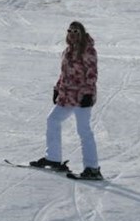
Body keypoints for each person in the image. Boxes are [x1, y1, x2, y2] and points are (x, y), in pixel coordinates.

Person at [30, 21, 103, 180]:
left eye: (76, 31)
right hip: (67, 96)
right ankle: (53, 158)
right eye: (70, 31)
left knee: (84, 130)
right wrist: (57, 88)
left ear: (82, 33)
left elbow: (92, 74)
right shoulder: (68, 51)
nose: (72, 34)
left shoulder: (88, 51)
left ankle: (93, 168)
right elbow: (64, 74)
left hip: (82, 96)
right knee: (53, 120)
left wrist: (88, 94)